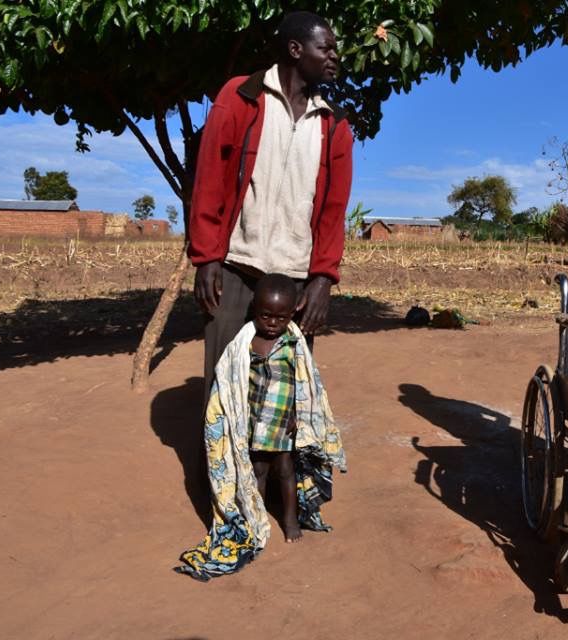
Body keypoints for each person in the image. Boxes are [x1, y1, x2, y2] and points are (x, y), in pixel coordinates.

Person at [187, 10, 353, 403]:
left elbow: (333, 211)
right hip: (233, 268)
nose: (334, 57)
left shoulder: (335, 125)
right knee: (224, 388)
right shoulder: (240, 97)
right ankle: (219, 467)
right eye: (325, 48)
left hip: (295, 278)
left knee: (283, 397)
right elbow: (209, 178)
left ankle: (276, 468)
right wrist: (207, 258)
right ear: (296, 49)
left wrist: (323, 279)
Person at [176, 274, 347, 581]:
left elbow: (305, 384)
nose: (272, 322)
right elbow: (232, 380)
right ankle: (256, 518)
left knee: (285, 471)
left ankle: (290, 520)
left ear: (293, 312)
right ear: (255, 308)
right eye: (266, 315)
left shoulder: (293, 343)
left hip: (283, 424)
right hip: (255, 423)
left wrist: (301, 414)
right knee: (258, 472)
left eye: (280, 317)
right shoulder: (244, 343)